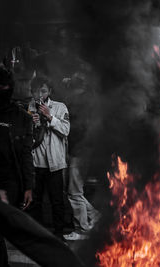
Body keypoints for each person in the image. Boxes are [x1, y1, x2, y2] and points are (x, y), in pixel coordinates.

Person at [0, 66, 34, 266]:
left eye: (4, 86)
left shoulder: (22, 117)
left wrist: (28, 186)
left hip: (11, 182)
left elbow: (25, 154)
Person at [30, 75, 70, 241]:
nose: (40, 94)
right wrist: (32, 123)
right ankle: (38, 235)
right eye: (36, 91)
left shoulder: (60, 107)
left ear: (50, 91)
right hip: (37, 162)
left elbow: (66, 130)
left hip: (55, 163)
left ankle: (59, 234)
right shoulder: (29, 107)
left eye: (44, 90)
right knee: (36, 201)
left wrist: (50, 117)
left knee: (57, 200)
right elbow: (27, 137)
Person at [63, 73, 101, 240]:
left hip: (79, 152)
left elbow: (76, 130)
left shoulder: (79, 103)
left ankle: (81, 229)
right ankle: (95, 215)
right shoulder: (91, 101)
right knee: (75, 191)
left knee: (74, 192)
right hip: (84, 152)